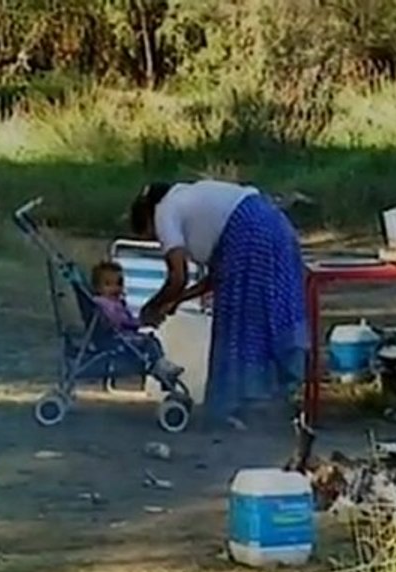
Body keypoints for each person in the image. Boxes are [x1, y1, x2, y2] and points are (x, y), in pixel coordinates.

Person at [129, 180, 308, 428]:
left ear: (148, 219)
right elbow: (216, 277)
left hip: (249, 235)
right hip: (273, 224)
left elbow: (177, 276)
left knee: (237, 325)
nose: (161, 244)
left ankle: (232, 405)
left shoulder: (164, 212)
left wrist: (151, 307)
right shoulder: (189, 199)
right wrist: (175, 302)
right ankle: (263, 400)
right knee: (265, 316)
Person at [89, 260, 184, 384]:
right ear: (97, 288)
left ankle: (161, 366)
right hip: (114, 339)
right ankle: (160, 368)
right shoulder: (102, 303)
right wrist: (138, 323)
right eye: (108, 284)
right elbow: (117, 320)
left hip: (122, 336)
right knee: (148, 342)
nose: (115, 288)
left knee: (151, 340)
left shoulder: (116, 302)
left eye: (119, 284)